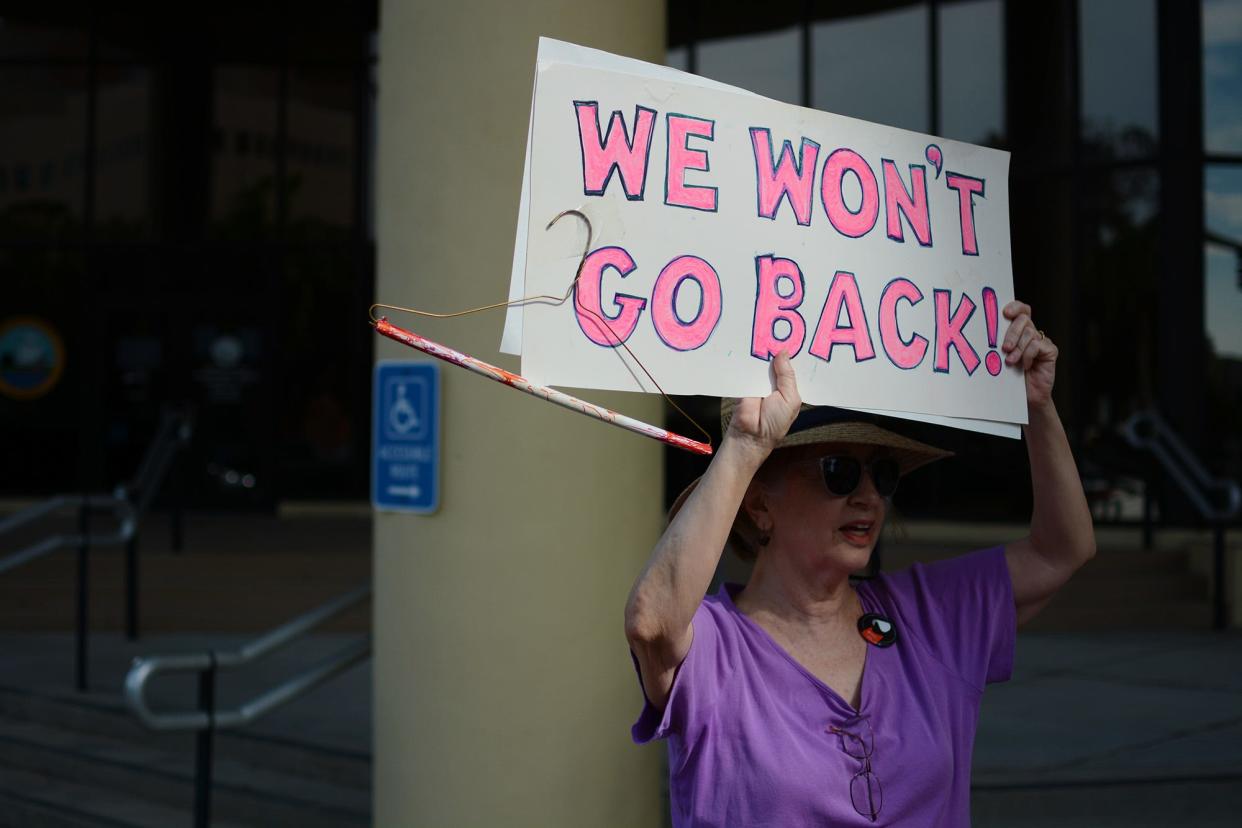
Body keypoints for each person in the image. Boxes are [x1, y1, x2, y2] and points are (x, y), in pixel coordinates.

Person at [624, 301, 1095, 826]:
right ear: (758, 503)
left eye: (883, 474)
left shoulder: (927, 617)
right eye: (839, 472)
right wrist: (745, 447)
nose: (869, 495)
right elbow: (651, 624)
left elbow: (1061, 550)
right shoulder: (716, 649)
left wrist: (1037, 407)